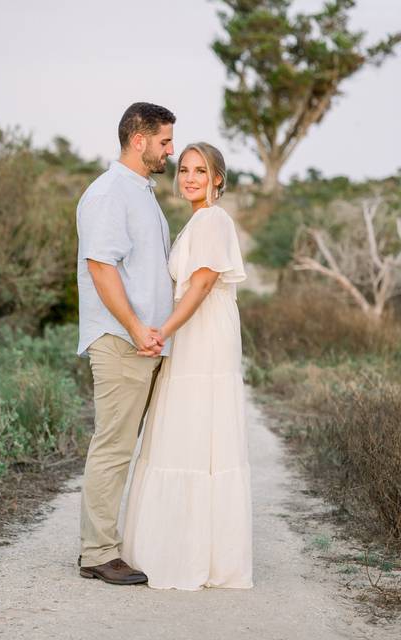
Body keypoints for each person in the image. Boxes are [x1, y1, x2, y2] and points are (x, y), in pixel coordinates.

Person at [121, 142, 252, 590]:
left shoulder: (214, 219)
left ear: (218, 178)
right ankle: (175, 547)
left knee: (199, 432)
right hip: (189, 333)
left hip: (205, 336)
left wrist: (163, 331)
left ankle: (199, 558)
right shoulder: (196, 221)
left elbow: (201, 284)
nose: (190, 178)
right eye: (184, 170)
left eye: (201, 170)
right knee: (181, 433)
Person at [75, 102, 175, 586]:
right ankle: (97, 552)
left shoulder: (141, 192)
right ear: (140, 139)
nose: (169, 151)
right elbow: (100, 266)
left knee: (133, 446)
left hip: (147, 343)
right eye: (164, 141)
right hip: (122, 341)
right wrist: (136, 327)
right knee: (113, 447)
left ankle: (125, 541)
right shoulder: (111, 192)